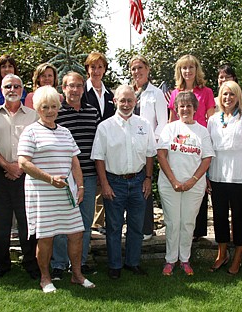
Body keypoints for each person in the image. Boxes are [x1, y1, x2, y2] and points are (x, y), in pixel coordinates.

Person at [17, 86, 95, 293]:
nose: (50, 111)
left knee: (76, 233)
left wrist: (80, 186)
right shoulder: (30, 131)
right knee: (46, 237)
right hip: (43, 194)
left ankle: (77, 275)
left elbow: (75, 162)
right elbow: (23, 162)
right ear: (37, 109)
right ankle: (45, 279)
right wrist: (50, 179)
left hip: (65, 193)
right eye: (45, 107)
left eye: (53, 106)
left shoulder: (65, 132)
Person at [91, 85, 156, 280]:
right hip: (114, 182)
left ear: (135, 102)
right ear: (115, 102)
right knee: (114, 227)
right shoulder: (105, 127)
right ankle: (114, 265)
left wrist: (148, 178)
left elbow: (150, 154)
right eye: (122, 100)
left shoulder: (144, 124)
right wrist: (105, 184)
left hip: (138, 181)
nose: (126, 104)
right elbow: (99, 158)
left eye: (129, 100)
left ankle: (133, 262)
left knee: (136, 226)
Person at [0, 74, 39, 280]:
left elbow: (38, 145)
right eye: (8, 86)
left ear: (22, 89)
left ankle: (31, 263)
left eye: (17, 86)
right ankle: (2, 264)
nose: (12, 89)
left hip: (26, 174)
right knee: (1, 221)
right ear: (2, 90)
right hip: (0, 173)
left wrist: (21, 168)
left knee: (27, 221)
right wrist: (7, 165)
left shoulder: (33, 116)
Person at [157, 91, 214, 276]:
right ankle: (170, 260)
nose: (185, 109)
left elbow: (206, 159)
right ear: (176, 108)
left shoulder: (202, 131)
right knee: (173, 222)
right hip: (169, 184)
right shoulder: (169, 128)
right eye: (181, 106)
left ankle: (185, 259)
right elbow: (161, 155)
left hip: (194, 186)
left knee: (188, 223)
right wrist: (174, 181)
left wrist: (193, 181)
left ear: (195, 108)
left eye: (189, 106)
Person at [51, 72, 100, 279]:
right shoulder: (57, 113)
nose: (75, 90)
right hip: (64, 178)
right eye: (71, 86)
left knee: (85, 223)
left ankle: (79, 262)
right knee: (62, 223)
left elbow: (99, 145)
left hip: (88, 176)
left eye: (79, 86)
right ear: (63, 88)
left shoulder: (92, 112)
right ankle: (59, 264)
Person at [207, 81, 242, 275]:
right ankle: (222, 254)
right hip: (217, 173)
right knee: (219, 216)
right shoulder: (213, 120)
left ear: (238, 97)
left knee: (238, 217)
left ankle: (238, 256)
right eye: (224, 94)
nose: (228, 98)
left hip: (239, 174)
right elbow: (208, 148)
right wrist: (206, 175)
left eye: (231, 94)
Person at [168, 54, 215, 242]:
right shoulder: (174, 93)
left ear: (197, 70)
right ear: (179, 71)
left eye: (191, 67)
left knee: (199, 184)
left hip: (200, 143)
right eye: (184, 68)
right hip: (180, 145)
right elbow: (171, 121)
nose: (187, 71)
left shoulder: (207, 92)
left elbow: (211, 120)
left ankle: (197, 232)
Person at [130, 55, 168, 240]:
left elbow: (162, 122)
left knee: (145, 186)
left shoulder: (156, 93)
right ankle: (133, 227)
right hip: (130, 149)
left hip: (148, 148)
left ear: (148, 69)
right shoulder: (128, 93)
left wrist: (151, 144)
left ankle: (146, 229)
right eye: (133, 69)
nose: (137, 72)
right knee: (131, 188)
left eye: (140, 68)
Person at [82, 52, 115, 235]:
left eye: (100, 67)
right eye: (93, 67)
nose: (96, 70)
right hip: (87, 143)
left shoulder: (110, 94)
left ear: (104, 69)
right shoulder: (82, 92)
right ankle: (91, 223)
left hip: (106, 145)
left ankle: (100, 221)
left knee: (104, 181)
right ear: (87, 69)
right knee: (91, 182)